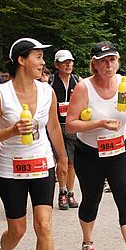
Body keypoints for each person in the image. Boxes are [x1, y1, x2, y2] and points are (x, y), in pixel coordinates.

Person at [0, 37, 68, 250]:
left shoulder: (47, 91)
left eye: (43, 57)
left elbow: (53, 126)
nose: (42, 62)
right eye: (38, 57)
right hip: (11, 170)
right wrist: (11, 131)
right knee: (17, 230)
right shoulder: (0, 94)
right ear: (21, 60)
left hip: (42, 165)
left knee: (43, 225)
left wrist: (63, 158)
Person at [65, 41, 126, 250]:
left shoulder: (125, 84)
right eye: (103, 61)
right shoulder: (84, 87)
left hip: (120, 150)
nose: (109, 65)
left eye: (112, 60)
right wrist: (99, 123)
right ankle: (87, 242)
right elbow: (70, 125)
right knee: (91, 200)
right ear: (94, 64)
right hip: (90, 153)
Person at [50, 49, 80, 210]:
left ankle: (70, 192)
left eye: (70, 61)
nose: (68, 64)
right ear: (57, 65)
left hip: (73, 126)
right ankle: (62, 192)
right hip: (56, 126)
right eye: (64, 62)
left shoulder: (77, 81)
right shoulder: (49, 83)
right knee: (62, 160)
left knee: (72, 162)